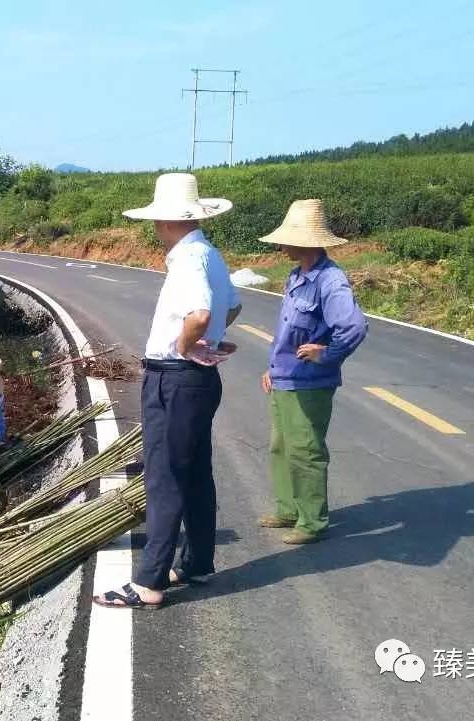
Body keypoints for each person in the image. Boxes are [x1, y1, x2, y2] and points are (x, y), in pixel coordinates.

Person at [94, 172, 241, 609]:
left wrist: (186, 344)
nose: (155, 228)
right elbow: (232, 305)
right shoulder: (210, 254)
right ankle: (196, 561)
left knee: (164, 477)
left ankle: (149, 582)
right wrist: (210, 340)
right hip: (195, 382)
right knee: (194, 472)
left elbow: (199, 312)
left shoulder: (187, 260)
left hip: (174, 378)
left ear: (166, 221)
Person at [257, 199, 368, 544]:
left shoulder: (330, 280)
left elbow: (353, 326)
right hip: (285, 377)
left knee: (305, 449)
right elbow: (289, 330)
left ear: (304, 241)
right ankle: (288, 507)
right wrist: (272, 367)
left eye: (287, 238)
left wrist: (328, 354)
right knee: (281, 446)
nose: (281, 244)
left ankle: (312, 521)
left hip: (310, 382)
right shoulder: (296, 276)